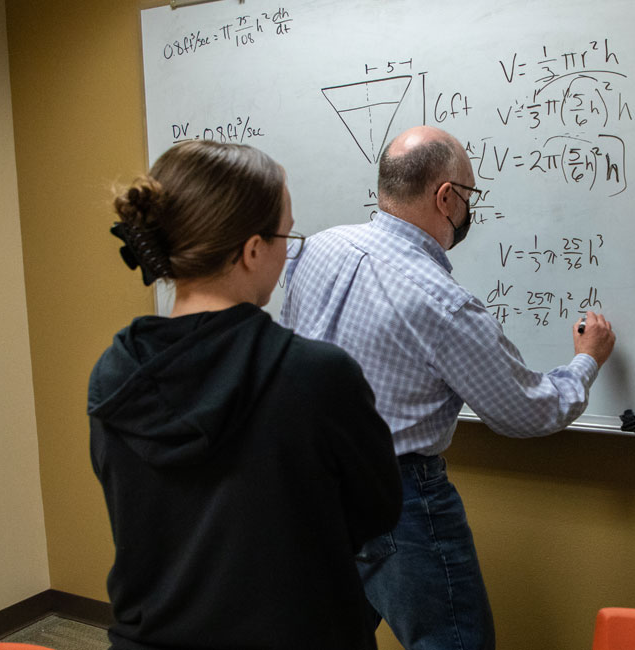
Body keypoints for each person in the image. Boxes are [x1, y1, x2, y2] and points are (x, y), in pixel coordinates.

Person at [280, 125, 616, 650]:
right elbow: (527, 412)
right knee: (454, 642)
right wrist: (585, 361)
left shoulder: (316, 250)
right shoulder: (443, 304)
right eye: (470, 196)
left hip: (310, 484)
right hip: (398, 500)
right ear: (446, 197)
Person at [87, 140, 402, 650]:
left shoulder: (113, 373)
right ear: (253, 250)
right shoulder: (317, 376)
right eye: (286, 235)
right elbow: (376, 514)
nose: (287, 250)